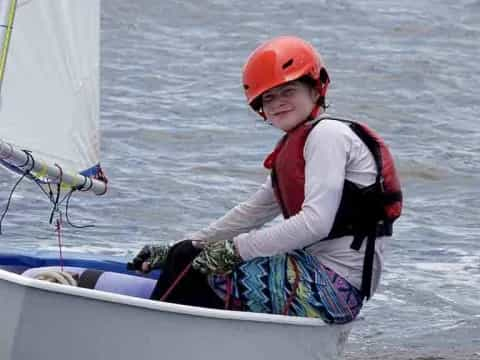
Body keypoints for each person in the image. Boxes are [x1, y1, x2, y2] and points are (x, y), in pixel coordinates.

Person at [129, 35, 402, 323]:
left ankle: (160, 340)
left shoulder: (327, 136)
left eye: (288, 91)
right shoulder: (301, 142)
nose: (278, 103)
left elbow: (315, 222)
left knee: (196, 268)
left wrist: (233, 251)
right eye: (269, 97)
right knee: (185, 256)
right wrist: (184, 246)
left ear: (315, 88)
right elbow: (252, 212)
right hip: (320, 274)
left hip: (333, 288)